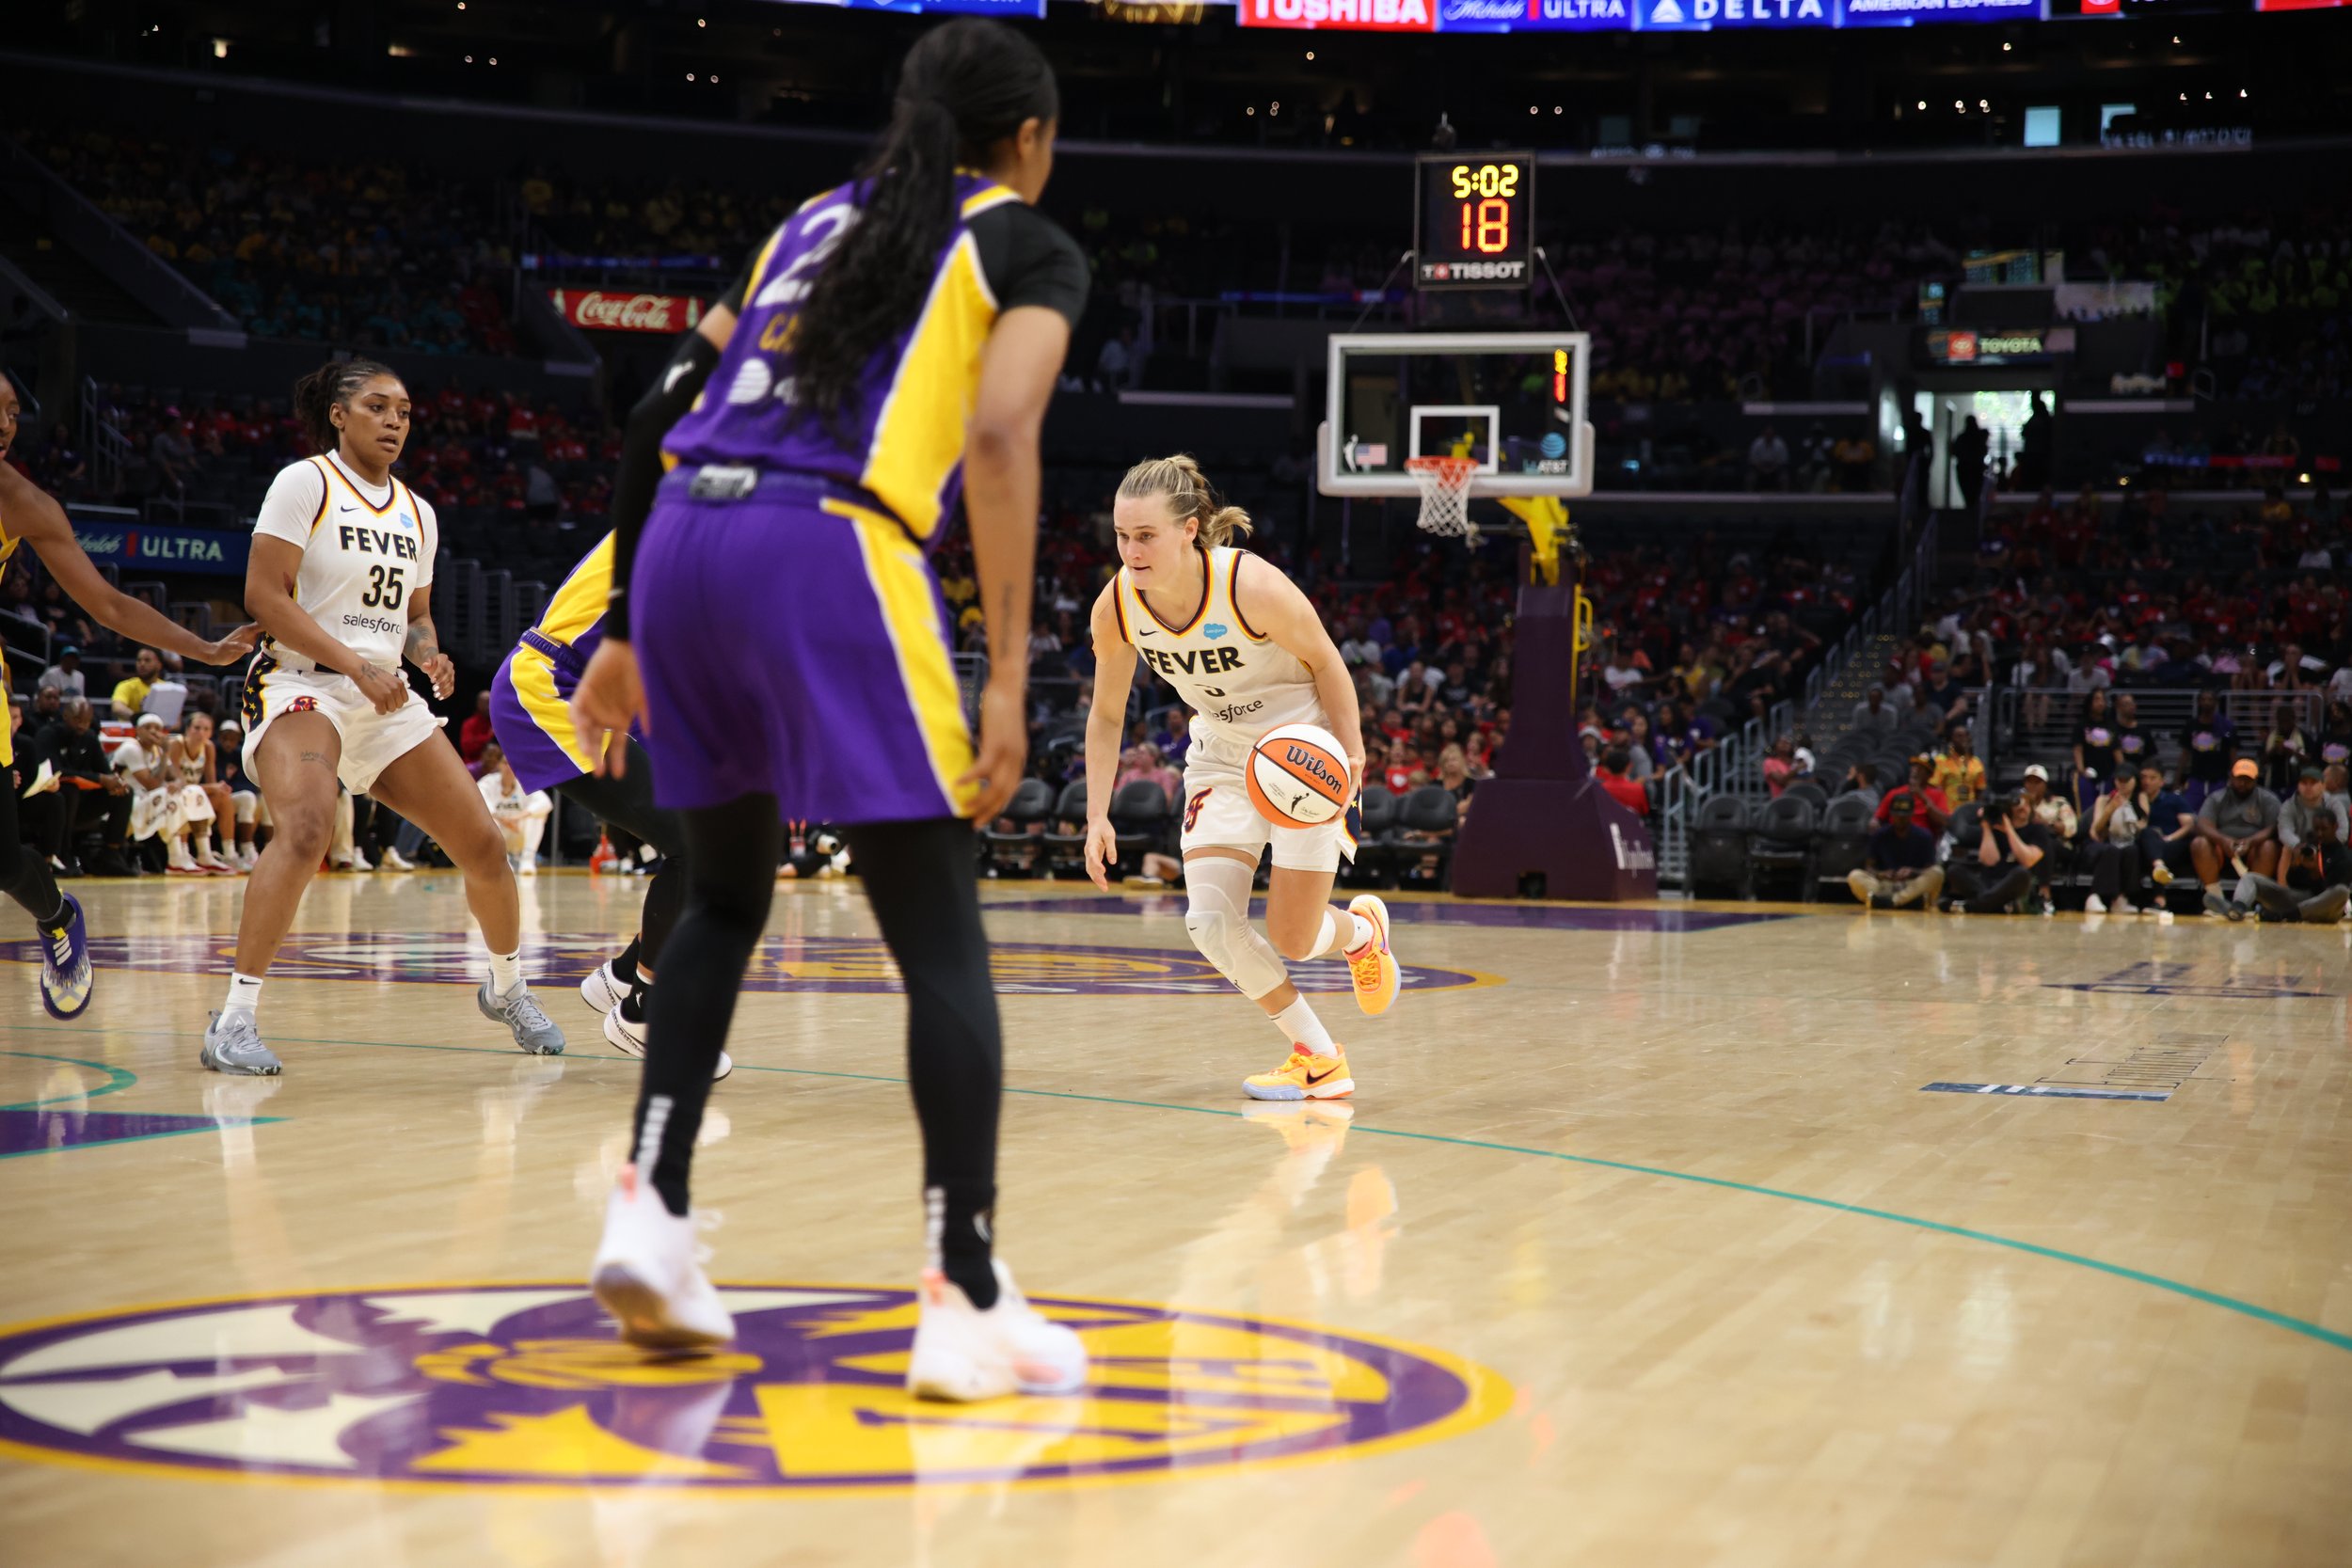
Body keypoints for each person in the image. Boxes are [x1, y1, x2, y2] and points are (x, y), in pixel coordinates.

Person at [565, 19, 1092, 1396]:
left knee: (720, 893)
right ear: (1030, 139)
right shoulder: (1022, 243)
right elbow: (999, 433)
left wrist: (622, 625)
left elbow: (656, 411)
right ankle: (966, 1293)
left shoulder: (806, 224)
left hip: (683, 542)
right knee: (939, 935)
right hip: (829, 547)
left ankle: (651, 1211)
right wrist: (1008, 673)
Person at [207, 356, 565, 1076]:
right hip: (301, 682)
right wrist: (355, 664)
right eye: (377, 406)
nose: (394, 420)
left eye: (403, 410)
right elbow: (264, 596)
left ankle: (506, 987)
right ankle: (233, 1019)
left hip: (384, 692)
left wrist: (428, 655)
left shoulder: (418, 512)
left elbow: (416, 615)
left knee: (485, 844)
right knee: (307, 828)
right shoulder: (306, 482)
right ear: (338, 415)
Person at [1081, 452, 1394, 1105]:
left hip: (1302, 750)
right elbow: (1107, 714)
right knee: (1211, 923)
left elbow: (1328, 663)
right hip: (1222, 755)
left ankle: (1363, 934)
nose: (1131, 551)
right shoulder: (1117, 607)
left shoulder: (1250, 586)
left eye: (1146, 535)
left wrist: (1353, 755)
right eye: (1122, 535)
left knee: (1294, 938)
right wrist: (1096, 813)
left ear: (1189, 530)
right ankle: (1318, 1057)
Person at [0, 369, 258, 1014]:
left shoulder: (23, 502)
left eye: (13, 412)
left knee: (3, 863)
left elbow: (110, 604)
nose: (5, 425)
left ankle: (58, 917)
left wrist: (204, 649)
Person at [25, 697, 135, 878]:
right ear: (66, 716)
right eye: (78, 719)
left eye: (86, 721)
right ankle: (63, 853)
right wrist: (99, 779)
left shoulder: (90, 738)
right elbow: (54, 771)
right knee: (70, 791)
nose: (82, 725)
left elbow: (105, 772)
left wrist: (115, 782)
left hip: (82, 805)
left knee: (124, 793)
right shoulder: (48, 735)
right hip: (50, 803)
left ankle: (111, 853)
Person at [2192, 758, 2280, 918]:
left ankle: (2251, 903)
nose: (2242, 783)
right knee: (2199, 843)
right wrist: (2223, 840)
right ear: (2231, 777)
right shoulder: (2217, 797)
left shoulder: (2268, 799)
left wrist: (2251, 841)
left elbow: (2273, 827)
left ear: (2256, 780)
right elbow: (2203, 824)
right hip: (2221, 848)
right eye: (2239, 779)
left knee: (2269, 846)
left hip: (2254, 849)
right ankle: (2216, 899)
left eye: (2247, 780)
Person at [2236, 808, 2349, 924]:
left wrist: (2315, 872)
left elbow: (2330, 891)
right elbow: (2293, 884)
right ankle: (2238, 908)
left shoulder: (2344, 856)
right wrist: (2295, 866)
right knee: (2251, 877)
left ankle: (2285, 916)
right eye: (2316, 829)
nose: (2320, 833)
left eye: (2324, 829)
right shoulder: (2310, 848)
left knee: (2342, 891)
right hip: (2301, 902)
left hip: (2325, 910)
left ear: (2335, 827)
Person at [1944, 795, 2052, 914]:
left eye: (2027, 804)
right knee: (1954, 870)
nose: (2023, 807)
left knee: (2022, 873)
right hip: (1989, 883)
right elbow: (1989, 861)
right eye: (2018, 804)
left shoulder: (2038, 830)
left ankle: (1970, 906)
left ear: (2031, 808)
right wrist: (1986, 826)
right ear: (2009, 808)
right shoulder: (1995, 827)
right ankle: (2000, 906)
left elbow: (2027, 861)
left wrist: (2009, 830)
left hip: (2015, 885)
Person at [167, 710, 238, 873]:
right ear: (187, 729)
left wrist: (218, 787)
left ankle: (229, 854)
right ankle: (183, 853)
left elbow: (211, 782)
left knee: (223, 796)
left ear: (211, 733)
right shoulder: (177, 744)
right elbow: (178, 783)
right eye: (197, 728)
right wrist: (211, 787)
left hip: (194, 794)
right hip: (173, 795)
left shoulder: (208, 747)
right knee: (186, 797)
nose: (201, 733)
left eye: (206, 729)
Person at [1847, 794, 1944, 910]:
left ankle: (1891, 901)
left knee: (1938, 872)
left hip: (1911, 885)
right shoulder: (1879, 835)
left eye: (1904, 815)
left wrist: (1913, 872)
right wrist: (1881, 874)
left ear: (1912, 814)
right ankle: (1908, 902)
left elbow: (1929, 869)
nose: (1900, 819)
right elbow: (1869, 867)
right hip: (1885, 885)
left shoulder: (1924, 836)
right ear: (1891, 814)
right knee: (1855, 875)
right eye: (1897, 815)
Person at [475, 745, 552, 874]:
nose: (508, 767)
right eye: (505, 763)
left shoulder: (524, 783)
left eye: (512, 764)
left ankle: (527, 860)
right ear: (499, 765)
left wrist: (516, 818)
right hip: (498, 833)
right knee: (490, 821)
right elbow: (479, 802)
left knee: (537, 817)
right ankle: (503, 861)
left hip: (518, 831)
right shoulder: (487, 782)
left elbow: (545, 802)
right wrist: (504, 820)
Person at [2082, 772, 2150, 915]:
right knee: (2111, 850)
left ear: (2135, 781)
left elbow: (2143, 825)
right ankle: (2094, 896)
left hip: (2127, 842)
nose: (2123, 783)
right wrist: (2110, 810)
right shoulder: (2104, 799)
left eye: (2127, 780)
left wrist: (2129, 817)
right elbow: (2094, 831)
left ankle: (2120, 898)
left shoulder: (2140, 798)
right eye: (2120, 780)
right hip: (2100, 844)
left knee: (2132, 851)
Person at [1930, 725, 1985, 808]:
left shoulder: (1976, 762)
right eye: (1959, 736)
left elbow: (1979, 790)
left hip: (1969, 810)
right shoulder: (1942, 760)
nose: (1963, 739)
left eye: (1966, 736)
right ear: (1951, 739)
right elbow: (1935, 787)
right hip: (1947, 810)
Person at [109, 646, 162, 721]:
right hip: (131, 728)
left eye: (147, 660)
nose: (142, 664)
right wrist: (139, 719)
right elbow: (117, 708)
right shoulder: (126, 685)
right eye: (139, 660)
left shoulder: (167, 688)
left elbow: (176, 719)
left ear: (159, 665)